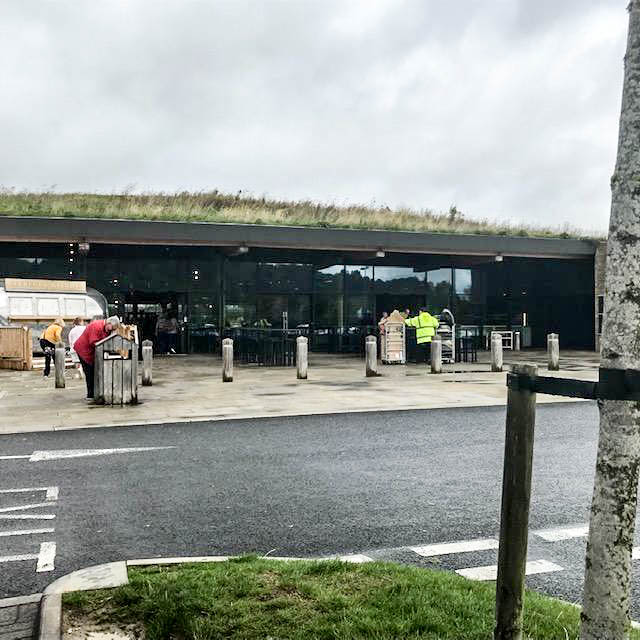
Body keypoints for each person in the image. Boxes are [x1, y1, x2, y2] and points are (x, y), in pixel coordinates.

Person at [73, 315, 120, 400]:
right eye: (112, 328)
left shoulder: (106, 328)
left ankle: (96, 392)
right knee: (89, 372)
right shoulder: (96, 326)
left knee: (95, 371)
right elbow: (94, 342)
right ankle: (90, 395)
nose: (112, 330)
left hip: (91, 351)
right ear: (109, 323)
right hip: (83, 350)